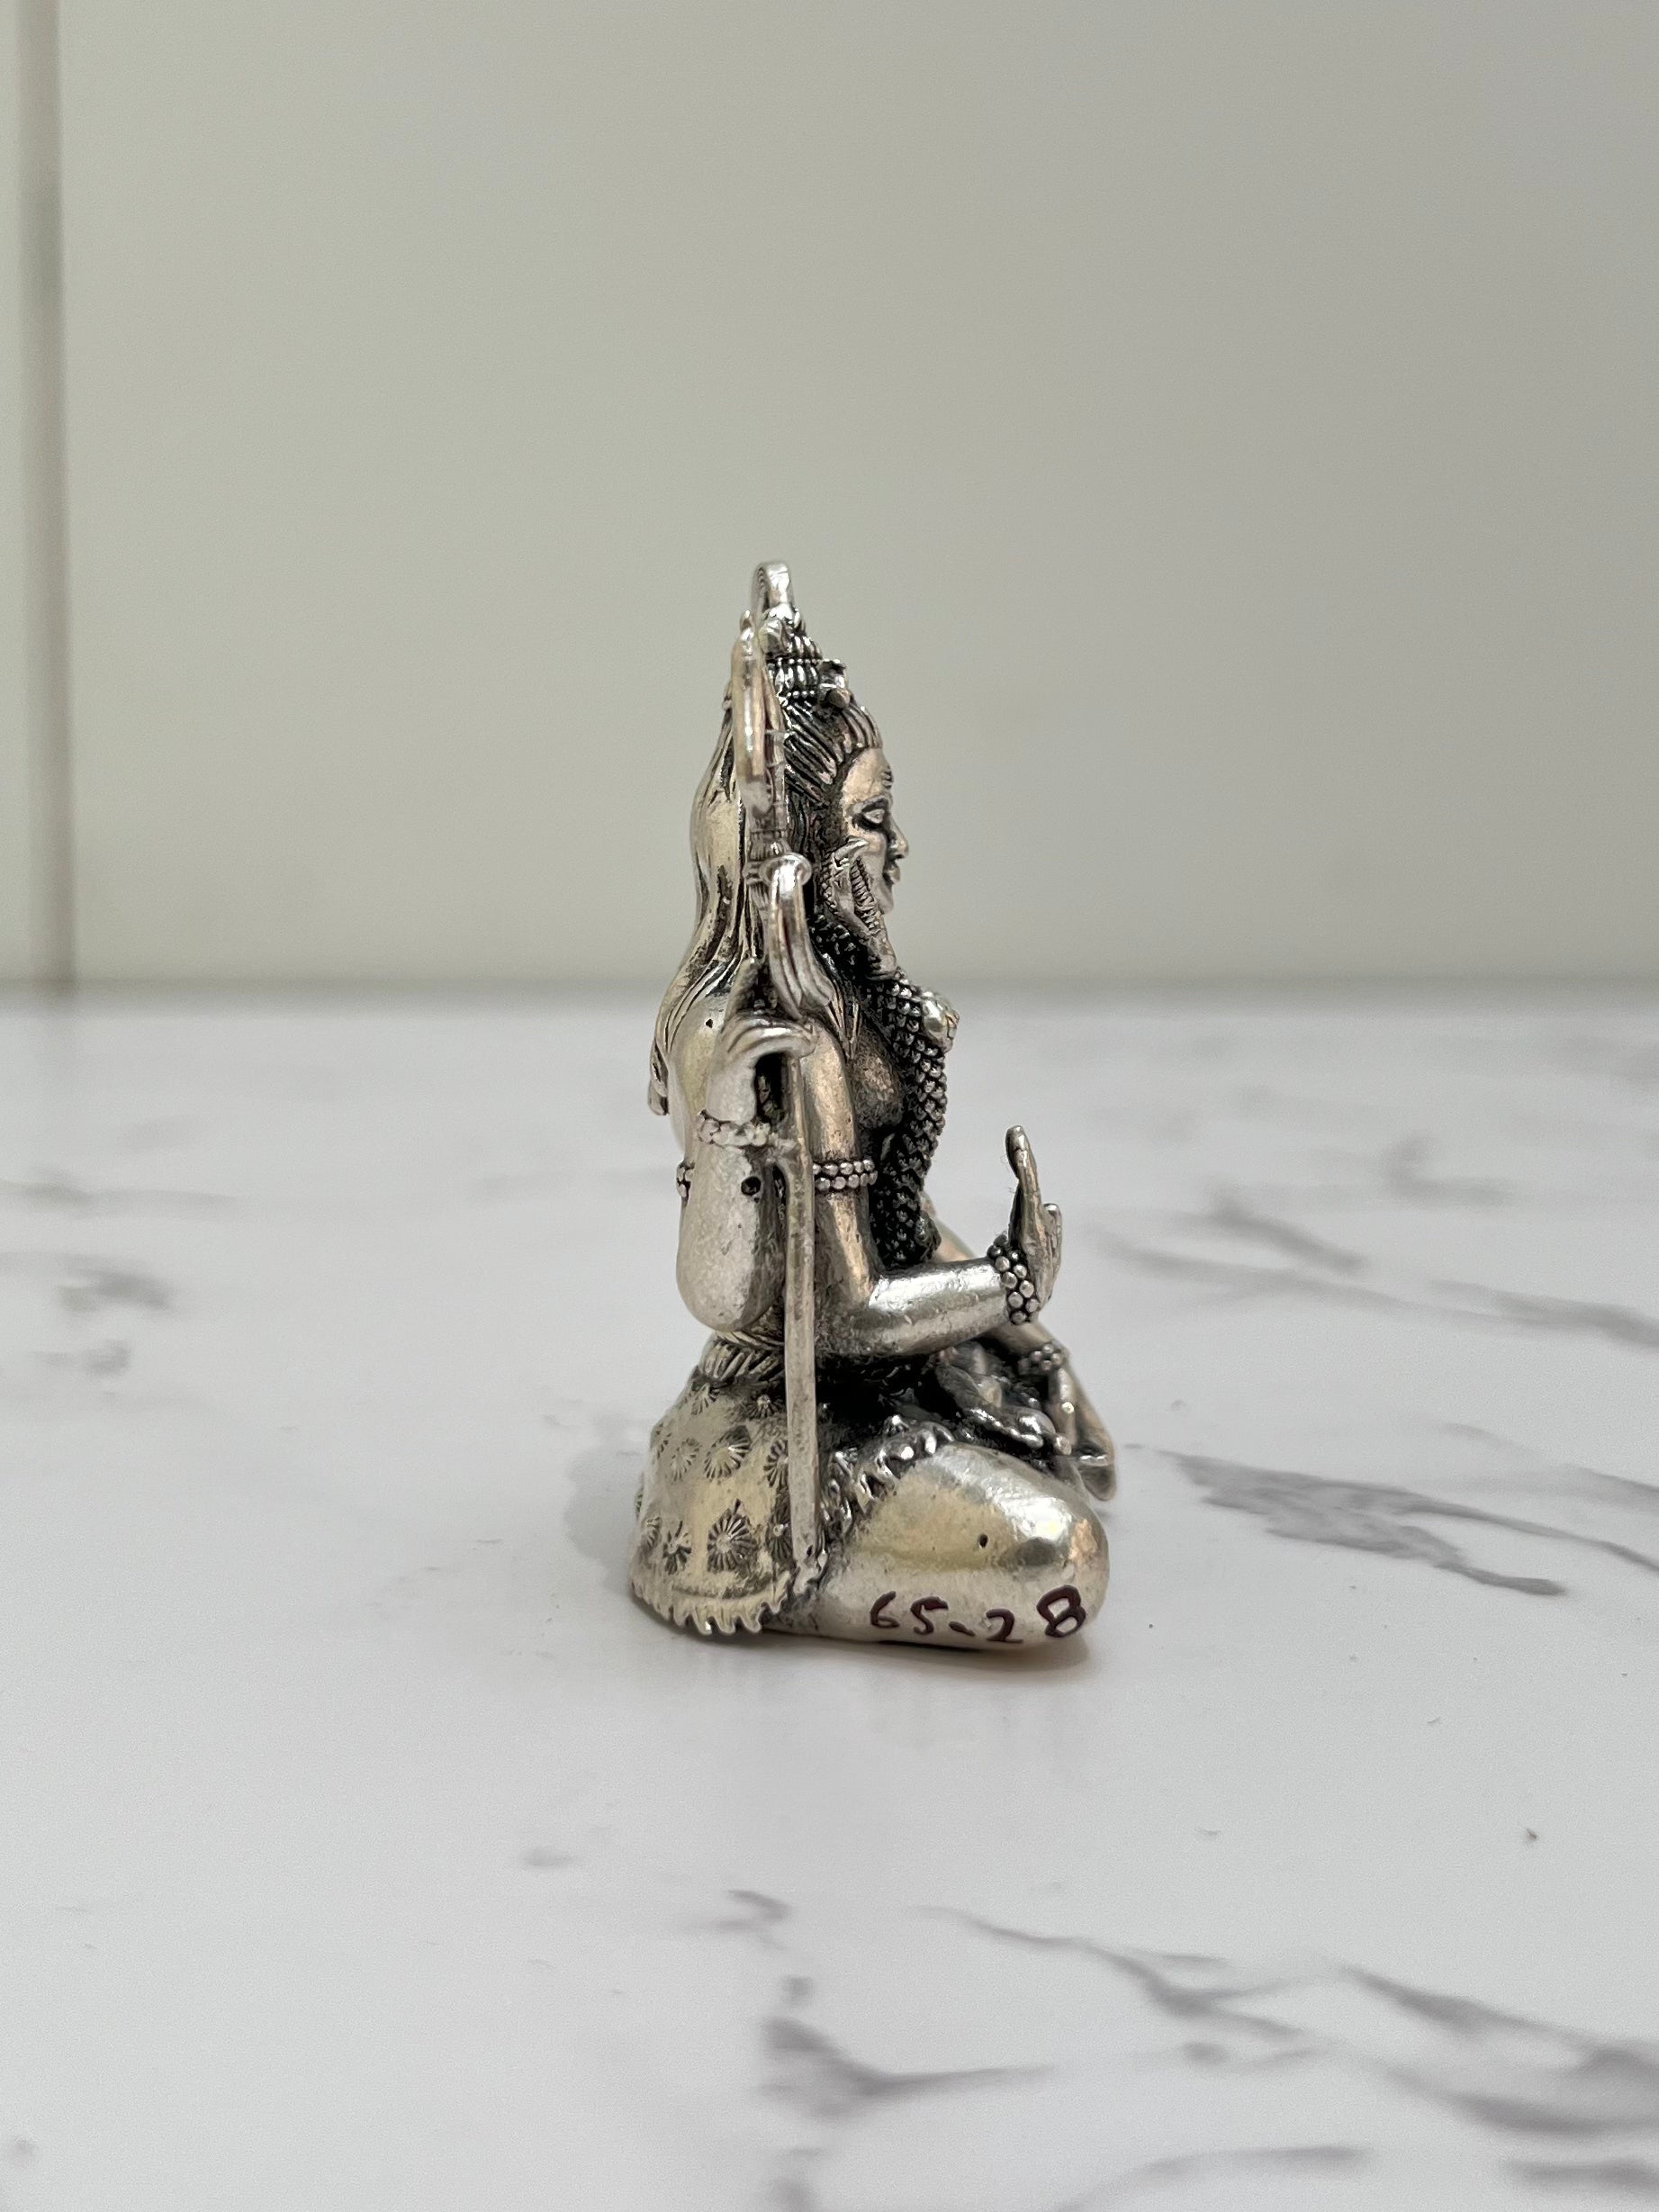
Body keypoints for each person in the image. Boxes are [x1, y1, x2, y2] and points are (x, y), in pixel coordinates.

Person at [634, 574, 1112, 1644]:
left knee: (1077, 1465)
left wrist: (1025, 1342)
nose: (897, 851)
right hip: (784, 1436)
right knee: (1059, 1554)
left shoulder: (848, 1005)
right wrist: (1005, 1282)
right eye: (872, 820)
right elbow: (833, 1309)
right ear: (802, 850)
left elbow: (898, 1225)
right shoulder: (773, 1037)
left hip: (892, 1371)